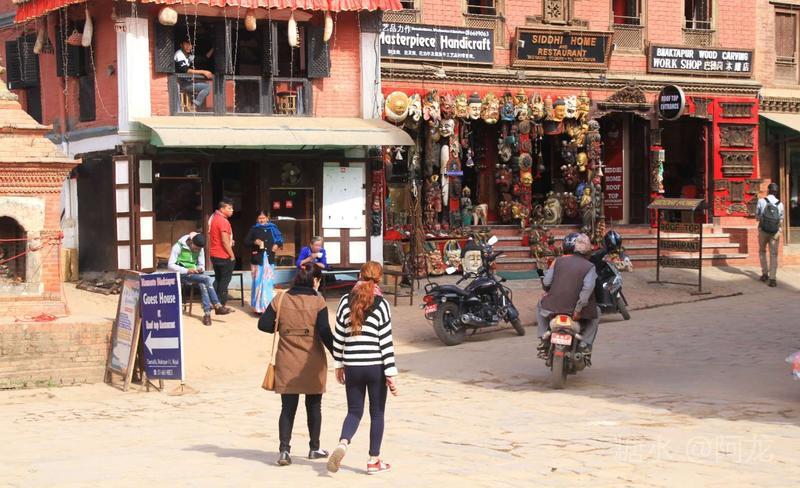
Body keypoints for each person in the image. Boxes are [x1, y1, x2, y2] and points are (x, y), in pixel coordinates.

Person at [257, 264, 334, 466]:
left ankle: (284, 451)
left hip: (287, 359)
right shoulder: (318, 301)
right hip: (312, 360)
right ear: (314, 280)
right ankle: (314, 448)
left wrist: (284, 328)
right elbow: (325, 332)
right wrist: (339, 354)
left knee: (287, 408)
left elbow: (263, 324)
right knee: (314, 406)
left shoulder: (281, 298)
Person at [327, 262, 398, 475]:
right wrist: (391, 373)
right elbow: (386, 341)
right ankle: (373, 461)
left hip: (352, 366)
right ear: (379, 279)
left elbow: (338, 337)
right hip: (375, 365)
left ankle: (343, 443)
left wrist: (338, 365)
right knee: (377, 413)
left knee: (354, 411)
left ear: (359, 275)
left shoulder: (344, 301)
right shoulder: (382, 304)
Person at [536, 233, 599, 353]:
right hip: (575, 311)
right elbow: (587, 289)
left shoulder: (558, 261)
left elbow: (546, 282)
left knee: (540, 304)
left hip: (553, 307)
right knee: (598, 312)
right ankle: (585, 343)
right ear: (588, 252)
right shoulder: (589, 266)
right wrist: (578, 310)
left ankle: (543, 336)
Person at [167, 233, 233, 326]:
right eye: (196, 248)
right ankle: (217, 305)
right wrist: (186, 270)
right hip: (181, 274)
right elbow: (170, 265)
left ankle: (207, 315)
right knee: (206, 279)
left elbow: (201, 264)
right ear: (190, 242)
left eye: (199, 249)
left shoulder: (200, 249)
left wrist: (200, 269)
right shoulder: (178, 246)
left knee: (203, 283)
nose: (197, 250)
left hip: (195, 274)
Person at [244, 212, 284, 314]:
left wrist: (277, 244)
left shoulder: (273, 228)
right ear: (257, 219)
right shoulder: (254, 229)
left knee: (268, 282)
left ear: (267, 218)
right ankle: (258, 308)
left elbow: (280, 240)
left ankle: (267, 307)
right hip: (257, 260)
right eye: (260, 218)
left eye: (263, 218)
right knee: (257, 282)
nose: (261, 220)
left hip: (269, 259)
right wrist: (254, 242)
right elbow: (246, 242)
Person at [756, 182, 785, 287]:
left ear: (768, 190)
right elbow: (781, 219)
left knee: (762, 251)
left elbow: (757, 217)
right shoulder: (780, 204)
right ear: (776, 192)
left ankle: (765, 274)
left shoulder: (761, 201)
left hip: (763, 230)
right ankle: (772, 279)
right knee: (773, 254)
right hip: (775, 232)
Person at [209, 199, 236, 306]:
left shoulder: (214, 218)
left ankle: (213, 302)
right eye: (229, 208)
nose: (232, 210)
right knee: (224, 281)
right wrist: (232, 255)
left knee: (218, 279)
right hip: (223, 255)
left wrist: (230, 241)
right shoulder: (223, 221)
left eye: (232, 208)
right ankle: (221, 305)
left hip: (214, 254)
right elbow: (224, 241)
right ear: (222, 209)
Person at [174, 37, 214, 110]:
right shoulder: (179, 54)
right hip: (181, 83)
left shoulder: (189, 56)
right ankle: (194, 106)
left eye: (190, 44)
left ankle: (193, 105)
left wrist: (213, 48)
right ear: (181, 45)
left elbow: (204, 58)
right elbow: (186, 70)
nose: (188, 46)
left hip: (187, 82)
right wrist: (203, 72)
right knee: (207, 87)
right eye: (186, 44)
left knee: (205, 85)